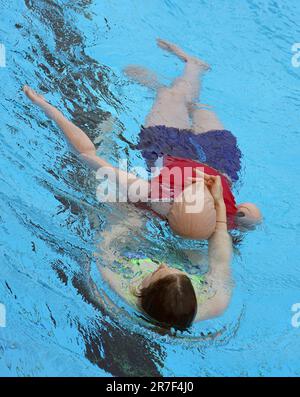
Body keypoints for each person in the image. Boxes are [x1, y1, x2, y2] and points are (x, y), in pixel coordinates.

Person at [22, 38, 259, 330]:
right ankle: (192, 71)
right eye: (175, 271)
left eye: (158, 273)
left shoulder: (149, 200)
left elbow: (87, 155)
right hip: (220, 161)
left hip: (170, 147)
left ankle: (172, 81)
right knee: (199, 109)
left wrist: (45, 105)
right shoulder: (215, 301)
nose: (163, 264)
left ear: (140, 289)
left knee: (172, 99)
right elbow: (222, 247)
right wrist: (230, 212)